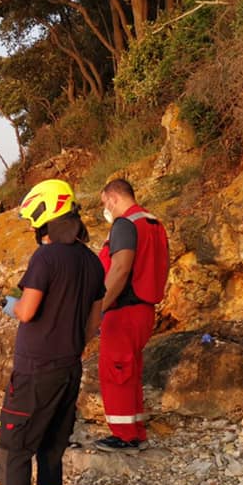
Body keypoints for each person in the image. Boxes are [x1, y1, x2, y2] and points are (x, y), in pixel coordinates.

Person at [0, 179, 105, 485]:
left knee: (14, 449)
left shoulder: (45, 258)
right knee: (50, 450)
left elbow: (27, 311)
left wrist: (10, 304)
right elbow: (94, 325)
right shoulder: (92, 262)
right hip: (68, 369)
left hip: (35, 371)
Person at [95, 178, 169, 453]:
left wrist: (99, 307)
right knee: (131, 371)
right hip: (145, 309)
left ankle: (125, 437)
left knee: (116, 372)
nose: (106, 209)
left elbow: (120, 269)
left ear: (113, 198)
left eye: (105, 203)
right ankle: (137, 432)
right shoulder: (153, 223)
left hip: (123, 310)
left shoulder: (125, 224)